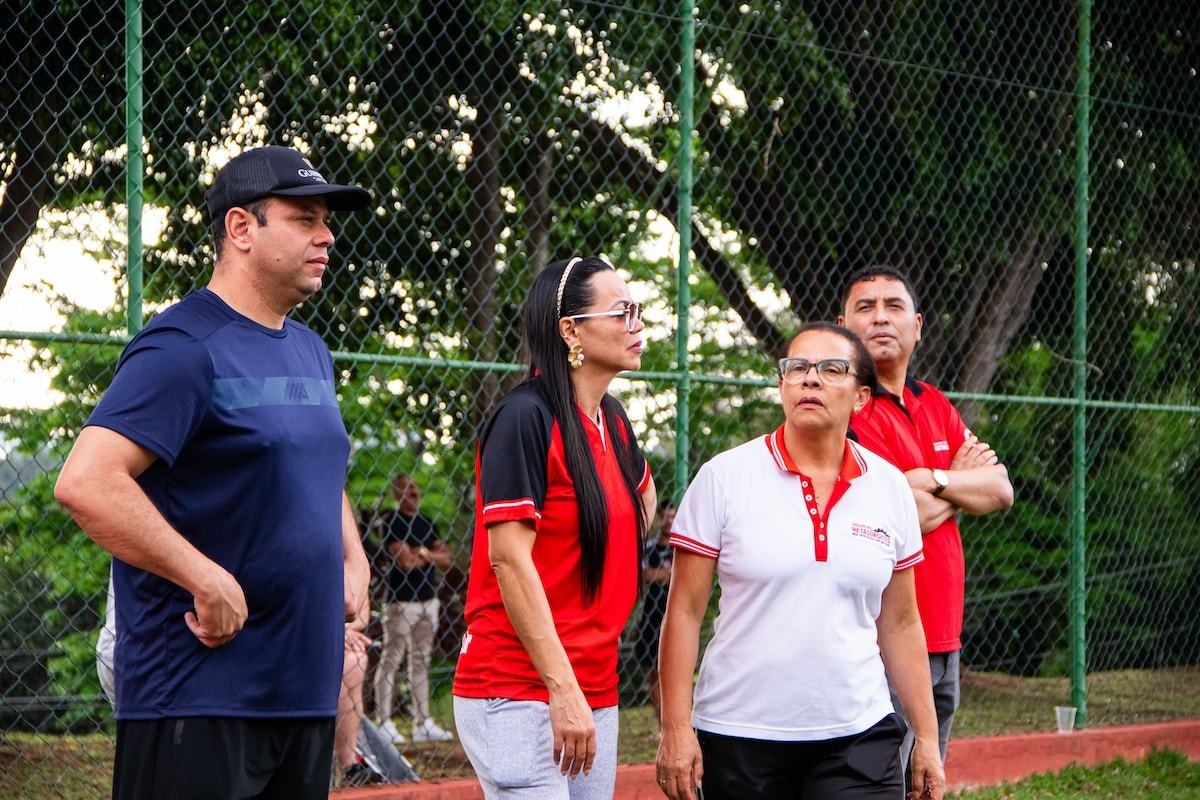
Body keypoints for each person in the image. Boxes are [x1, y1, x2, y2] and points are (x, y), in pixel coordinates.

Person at [54, 145, 372, 800]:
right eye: (305, 219)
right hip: (199, 696)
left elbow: (315, 464)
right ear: (241, 228)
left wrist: (354, 558)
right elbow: (88, 481)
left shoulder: (310, 350)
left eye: (326, 222)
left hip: (302, 693)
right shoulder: (183, 347)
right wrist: (202, 576)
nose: (327, 237)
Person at [656, 322, 945, 800]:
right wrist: (675, 728)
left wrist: (928, 738)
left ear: (861, 398)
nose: (810, 378)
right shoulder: (723, 478)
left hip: (859, 734)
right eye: (797, 368)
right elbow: (684, 612)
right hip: (738, 734)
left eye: (832, 369)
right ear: (782, 386)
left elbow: (901, 621)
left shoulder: (889, 486)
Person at [452, 256, 656, 799]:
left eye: (637, 310)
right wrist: (561, 689)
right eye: (622, 312)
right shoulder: (524, 416)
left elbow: (643, 500)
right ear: (570, 331)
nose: (637, 324)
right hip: (519, 684)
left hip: (595, 681)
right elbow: (508, 559)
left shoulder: (613, 420)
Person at [839, 265, 1014, 783]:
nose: (880, 317)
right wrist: (959, 485)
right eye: (865, 307)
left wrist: (933, 479)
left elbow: (1000, 489)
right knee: (880, 783)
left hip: (945, 634)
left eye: (893, 306)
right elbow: (891, 521)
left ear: (917, 326)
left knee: (929, 780)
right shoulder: (844, 410)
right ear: (843, 325)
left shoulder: (933, 401)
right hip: (880, 640)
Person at [374, 474, 455, 743]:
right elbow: (406, 562)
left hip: (428, 600)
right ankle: (384, 721)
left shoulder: (427, 522)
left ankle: (423, 722)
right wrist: (426, 555)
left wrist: (423, 553)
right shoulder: (392, 521)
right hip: (401, 601)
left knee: (421, 661)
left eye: (414, 488)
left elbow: (446, 559)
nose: (412, 492)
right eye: (405, 489)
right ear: (396, 494)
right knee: (392, 658)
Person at [634, 501, 675, 728]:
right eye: (665, 516)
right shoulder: (649, 549)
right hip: (652, 616)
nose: (669, 521)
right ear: (658, 519)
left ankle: (675, 722)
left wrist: (658, 574)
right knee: (653, 673)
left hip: (673, 614)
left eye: (673, 516)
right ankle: (662, 725)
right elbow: (643, 575)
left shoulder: (680, 548)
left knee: (674, 673)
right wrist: (666, 574)